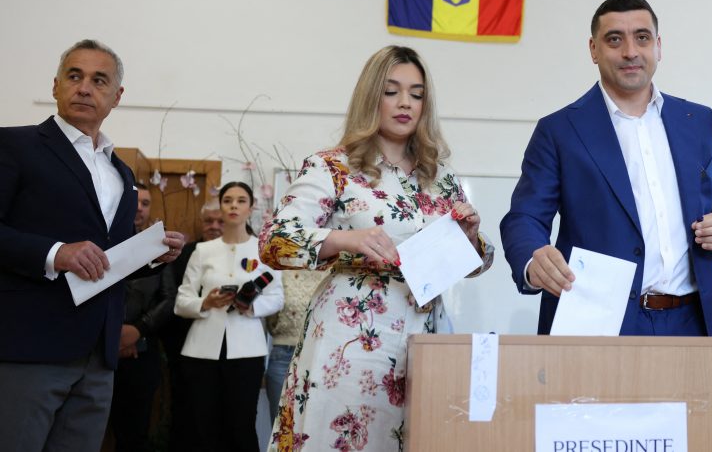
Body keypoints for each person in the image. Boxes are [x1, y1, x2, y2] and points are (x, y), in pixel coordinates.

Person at [260, 45, 494, 452]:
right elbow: (275, 241)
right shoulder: (333, 167)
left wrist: (470, 237)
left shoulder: (440, 178)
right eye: (392, 91)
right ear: (372, 97)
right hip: (353, 336)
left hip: (427, 334)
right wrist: (344, 239)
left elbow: (477, 262)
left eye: (417, 94)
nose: (406, 103)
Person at [500, 0, 712, 337]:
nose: (630, 51)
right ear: (593, 49)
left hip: (697, 322)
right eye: (614, 39)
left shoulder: (701, 122)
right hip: (599, 323)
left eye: (642, 38)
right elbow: (524, 218)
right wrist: (532, 258)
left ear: (658, 46)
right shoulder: (559, 131)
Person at [0, 39, 185, 452]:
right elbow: (63, 252)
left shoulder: (119, 171)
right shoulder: (13, 145)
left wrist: (153, 258)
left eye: (98, 80)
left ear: (116, 96)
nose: (84, 87)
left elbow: (107, 259)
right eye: (74, 76)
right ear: (55, 86)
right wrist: (55, 253)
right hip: (27, 348)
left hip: (100, 355)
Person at [174, 181, 283, 452]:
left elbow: (277, 297)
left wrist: (251, 308)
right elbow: (181, 302)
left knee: (241, 425)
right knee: (203, 425)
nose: (234, 205)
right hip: (201, 351)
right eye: (228, 200)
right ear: (221, 207)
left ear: (251, 207)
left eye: (241, 200)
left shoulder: (264, 250)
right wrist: (206, 302)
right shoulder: (202, 251)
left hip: (247, 350)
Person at [108, 182, 180, 452]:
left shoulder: (157, 248)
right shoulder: (101, 241)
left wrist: (137, 330)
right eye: (135, 201)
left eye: (146, 203)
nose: (139, 208)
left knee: (134, 434)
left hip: (143, 350)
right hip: (98, 347)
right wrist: (113, 333)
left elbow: (169, 298)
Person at [161, 200, 224, 451]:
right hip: (183, 343)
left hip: (223, 346)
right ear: (201, 223)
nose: (214, 226)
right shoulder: (185, 253)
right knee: (185, 409)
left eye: (220, 221)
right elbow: (171, 298)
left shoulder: (238, 251)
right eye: (209, 221)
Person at [264, 267, 328, 425]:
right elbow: (270, 317)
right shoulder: (280, 267)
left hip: (321, 356)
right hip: (282, 355)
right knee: (281, 425)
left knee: (314, 426)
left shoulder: (334, 269)